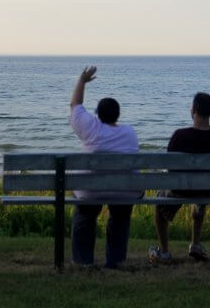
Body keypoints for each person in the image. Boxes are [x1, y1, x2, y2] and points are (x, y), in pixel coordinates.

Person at [69, 66, 142, 269]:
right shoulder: (130, 133)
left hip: (89, 193)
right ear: (117, 115)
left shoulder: (91, 128)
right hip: (124, 193)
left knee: (84, 212)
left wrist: (82, 81)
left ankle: (83, 261)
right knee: (120, 214)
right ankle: (115, 261)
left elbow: (75, 104)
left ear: (97, 115)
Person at [149, 92, 210, 264]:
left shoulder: (179, 135)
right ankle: (195, 244)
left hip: (179, 190)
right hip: (207, 191)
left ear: (193, 110)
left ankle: (163, 251)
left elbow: (170, 165)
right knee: (200, 199)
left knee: (159, 203)